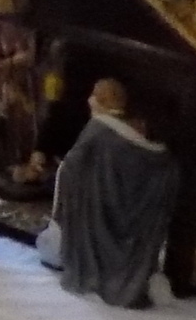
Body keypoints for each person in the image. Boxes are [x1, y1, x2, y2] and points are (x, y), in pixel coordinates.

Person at [53, 79, 188, 308]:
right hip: (123, 210)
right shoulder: (134, 136)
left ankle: (95, 277)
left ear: (103, 100)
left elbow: (72, 166)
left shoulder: (98, 130)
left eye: (95, 95)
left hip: (99, 212)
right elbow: (163, 163)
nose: (90, 99)